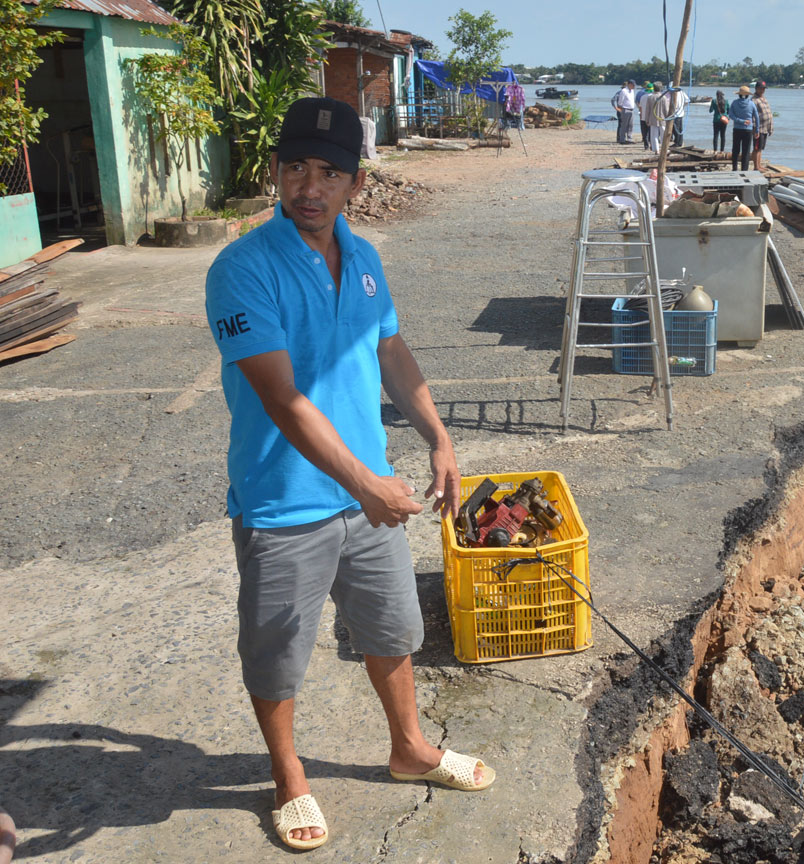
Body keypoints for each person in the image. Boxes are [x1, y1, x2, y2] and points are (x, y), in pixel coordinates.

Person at [204, 97, 493, 852]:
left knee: (392, 629)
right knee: (276, 651)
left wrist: (438, 437)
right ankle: (289, 775)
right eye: (295, 168)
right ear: (274, 173)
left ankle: (409, 749)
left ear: (355, 185)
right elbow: (282, 397)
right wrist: (367, 484)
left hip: (369, 503)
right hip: (283, 501)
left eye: (329, 172)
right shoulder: (242, 269)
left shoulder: (364, 259)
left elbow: (390, 352)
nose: (310, 185)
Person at [728, 84, 757, 171]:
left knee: (735, 149)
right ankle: (744, 169)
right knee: (746, 151)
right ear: (748, 95)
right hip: (748, 130)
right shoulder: (751, 104)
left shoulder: (734, 103)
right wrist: (757, 130)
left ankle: (735, 168)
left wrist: (740, 121)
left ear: (739, 94)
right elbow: (757, 117)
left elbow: (730, 115)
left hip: (737, 129)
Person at [751, 81, 773, 172]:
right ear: (756, 88)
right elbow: (752, 115)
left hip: (765, 127)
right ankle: (756, 166)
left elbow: (768, 113)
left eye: (764, 88)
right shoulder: (753, 100)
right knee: (757, 148)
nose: (762, 90)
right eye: (761, 88)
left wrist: (770, 127)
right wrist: (755, 129)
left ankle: (759, 165)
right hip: (758, 128)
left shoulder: (764, 99)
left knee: (760, 148)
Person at [638, 83, 656, 148]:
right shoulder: (654, 97)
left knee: (644, 131)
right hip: (651, 117)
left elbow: (640, 107)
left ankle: (646, 145)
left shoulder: (643, 97)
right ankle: (651, 144)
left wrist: (641, 115)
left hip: (643, 116)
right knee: (651, 131)